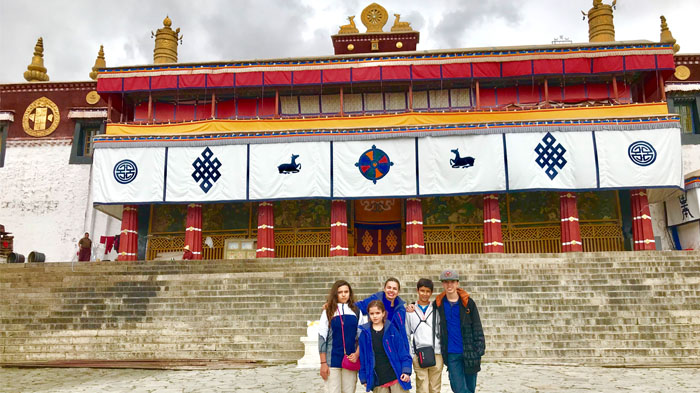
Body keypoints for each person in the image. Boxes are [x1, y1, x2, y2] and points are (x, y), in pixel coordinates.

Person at [434, 270, 485, 393]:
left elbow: (477, 326)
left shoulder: (468, 303)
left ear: (457, 283)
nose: (449, 285)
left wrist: (479, 349)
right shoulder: (439, 304)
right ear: (442, 284)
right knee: (459, 388)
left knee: (470, 388)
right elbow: (423, 308)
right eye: (446, 282)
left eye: (452, 282)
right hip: (452, 353)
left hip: (469, 351)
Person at [319, 280, 365, 393]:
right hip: (332, 360)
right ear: (335, 294)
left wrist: (357, 354)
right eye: (340, 292)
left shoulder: (356, 311)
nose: (344, 294)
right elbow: (322, 338)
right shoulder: (328, 311)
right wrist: (323, 363)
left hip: (351, 359)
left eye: (346, 291)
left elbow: (362, 337)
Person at [358, 300, 412, 392]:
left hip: (396, 376)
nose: (375, 316)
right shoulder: (365, 334)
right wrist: (363, 377)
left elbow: (402, 352)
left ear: (383, 313)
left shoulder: (391, 330)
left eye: (378, 313)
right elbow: (363, 358)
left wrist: (406, 371)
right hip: (379, 379)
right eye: (372, 313)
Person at [405, 278, 443, 393]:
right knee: (422, 388)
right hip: (419, 353)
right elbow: (407, 334)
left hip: (436, 352)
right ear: (417, 290)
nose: (425, 294)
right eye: (422, 290)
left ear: (431, 292)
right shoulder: (410, 311)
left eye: (427, 291)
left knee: (435, 387)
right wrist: (411, 354)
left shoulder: (436, 309)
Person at [355, 278, 409, 348]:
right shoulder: (375, 299)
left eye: (394, 289)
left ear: (398, 292)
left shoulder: (401, 309)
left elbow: (402, 331)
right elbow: (358, 306)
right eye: (389, 287)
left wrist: (406, 349)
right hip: (377, 342)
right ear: (384, 289)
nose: (391, 290)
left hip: (394, 345)